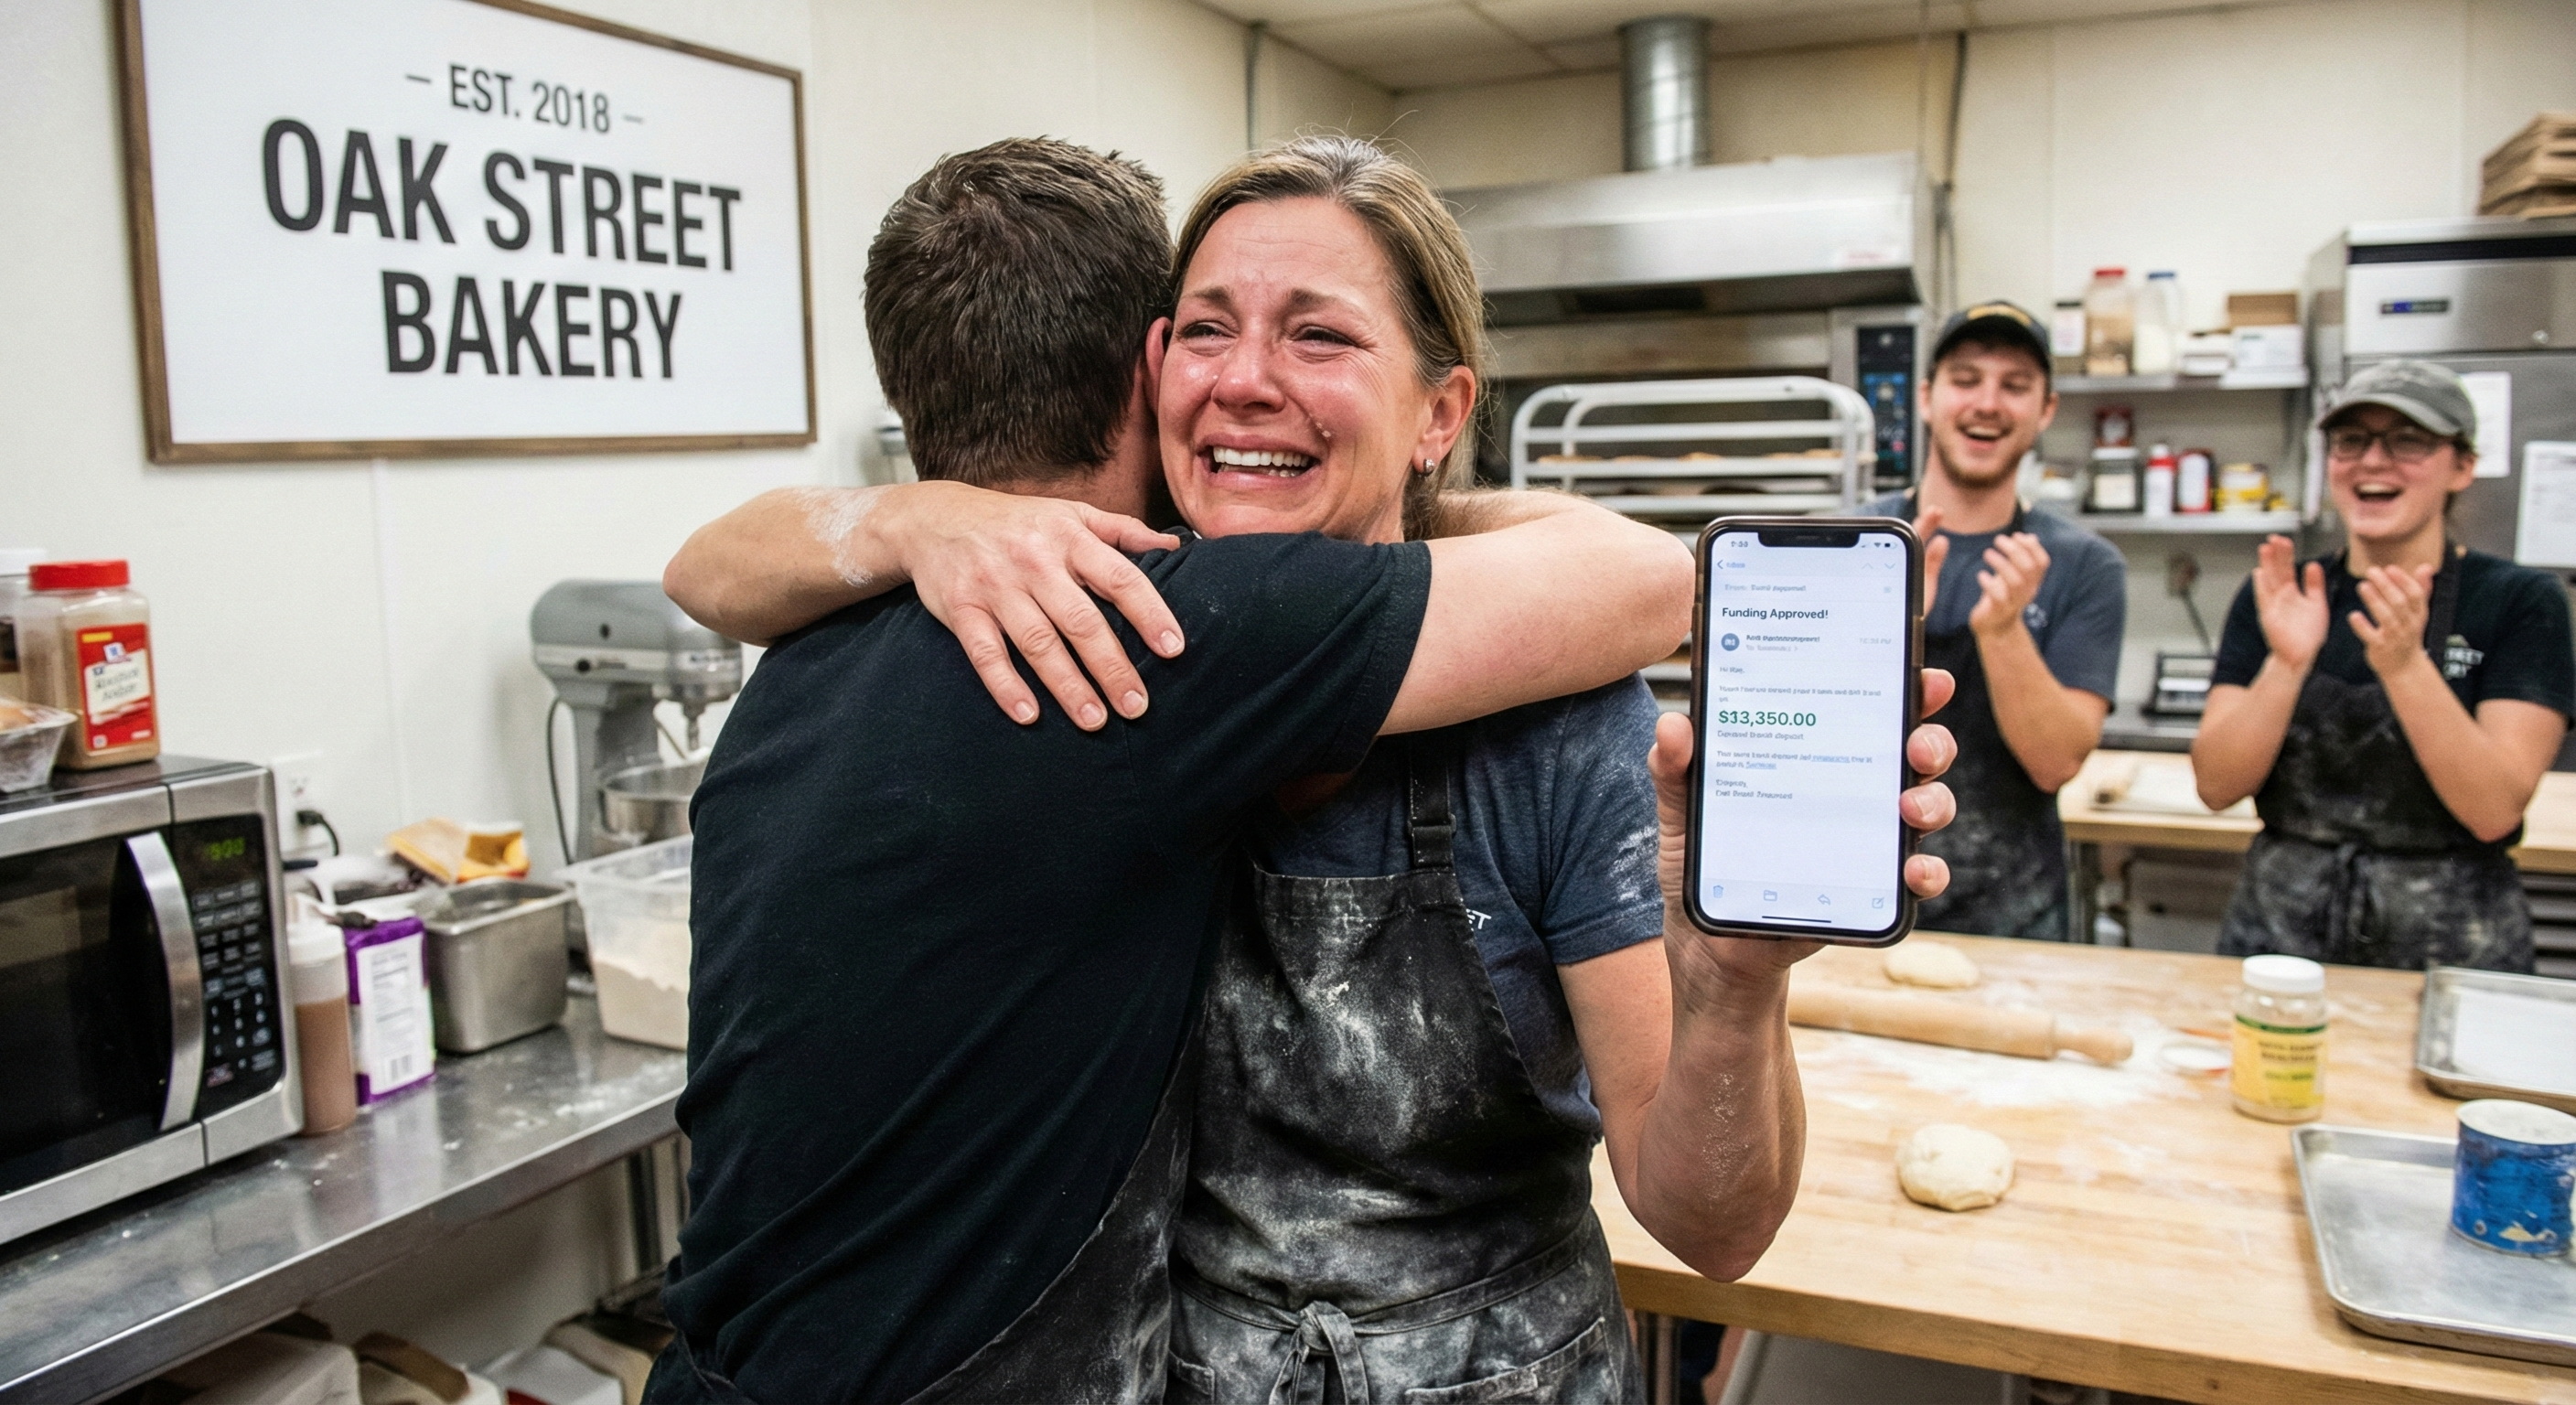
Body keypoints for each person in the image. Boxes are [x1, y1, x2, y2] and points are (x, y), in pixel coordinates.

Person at [669, 134, 1959, 1404]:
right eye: (1207, 330)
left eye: (1319, 336)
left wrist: (1731, 994)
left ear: (1441, 412)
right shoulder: (1117, 644)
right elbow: (720, 566)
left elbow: (1711, 1228)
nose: (1244, 380)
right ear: (1146, 375)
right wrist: (924, 514)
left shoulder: (1557, 728)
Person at [2193, 359, 2572, 970]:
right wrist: (2286, 664)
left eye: (2408, 441)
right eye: (2351, 441)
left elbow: (2494, 807)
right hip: (2281, 938)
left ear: (2462, 466)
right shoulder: (2282, 593)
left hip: (2453, 945)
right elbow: (2216, 784)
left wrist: (2405, 667)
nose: (2373, 461)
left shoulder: (2520, 601)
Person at [1866, 301, 2125, 940]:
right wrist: (1886, 628)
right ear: (1927, 398)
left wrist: (2004, 630)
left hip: (2017, 918)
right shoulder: (1857, 542)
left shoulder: (2083, 565)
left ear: (2045, 412)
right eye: (1966, 379)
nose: (1988, 402)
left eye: (2015, 386)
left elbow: (2056, 762)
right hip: (1858, 894)